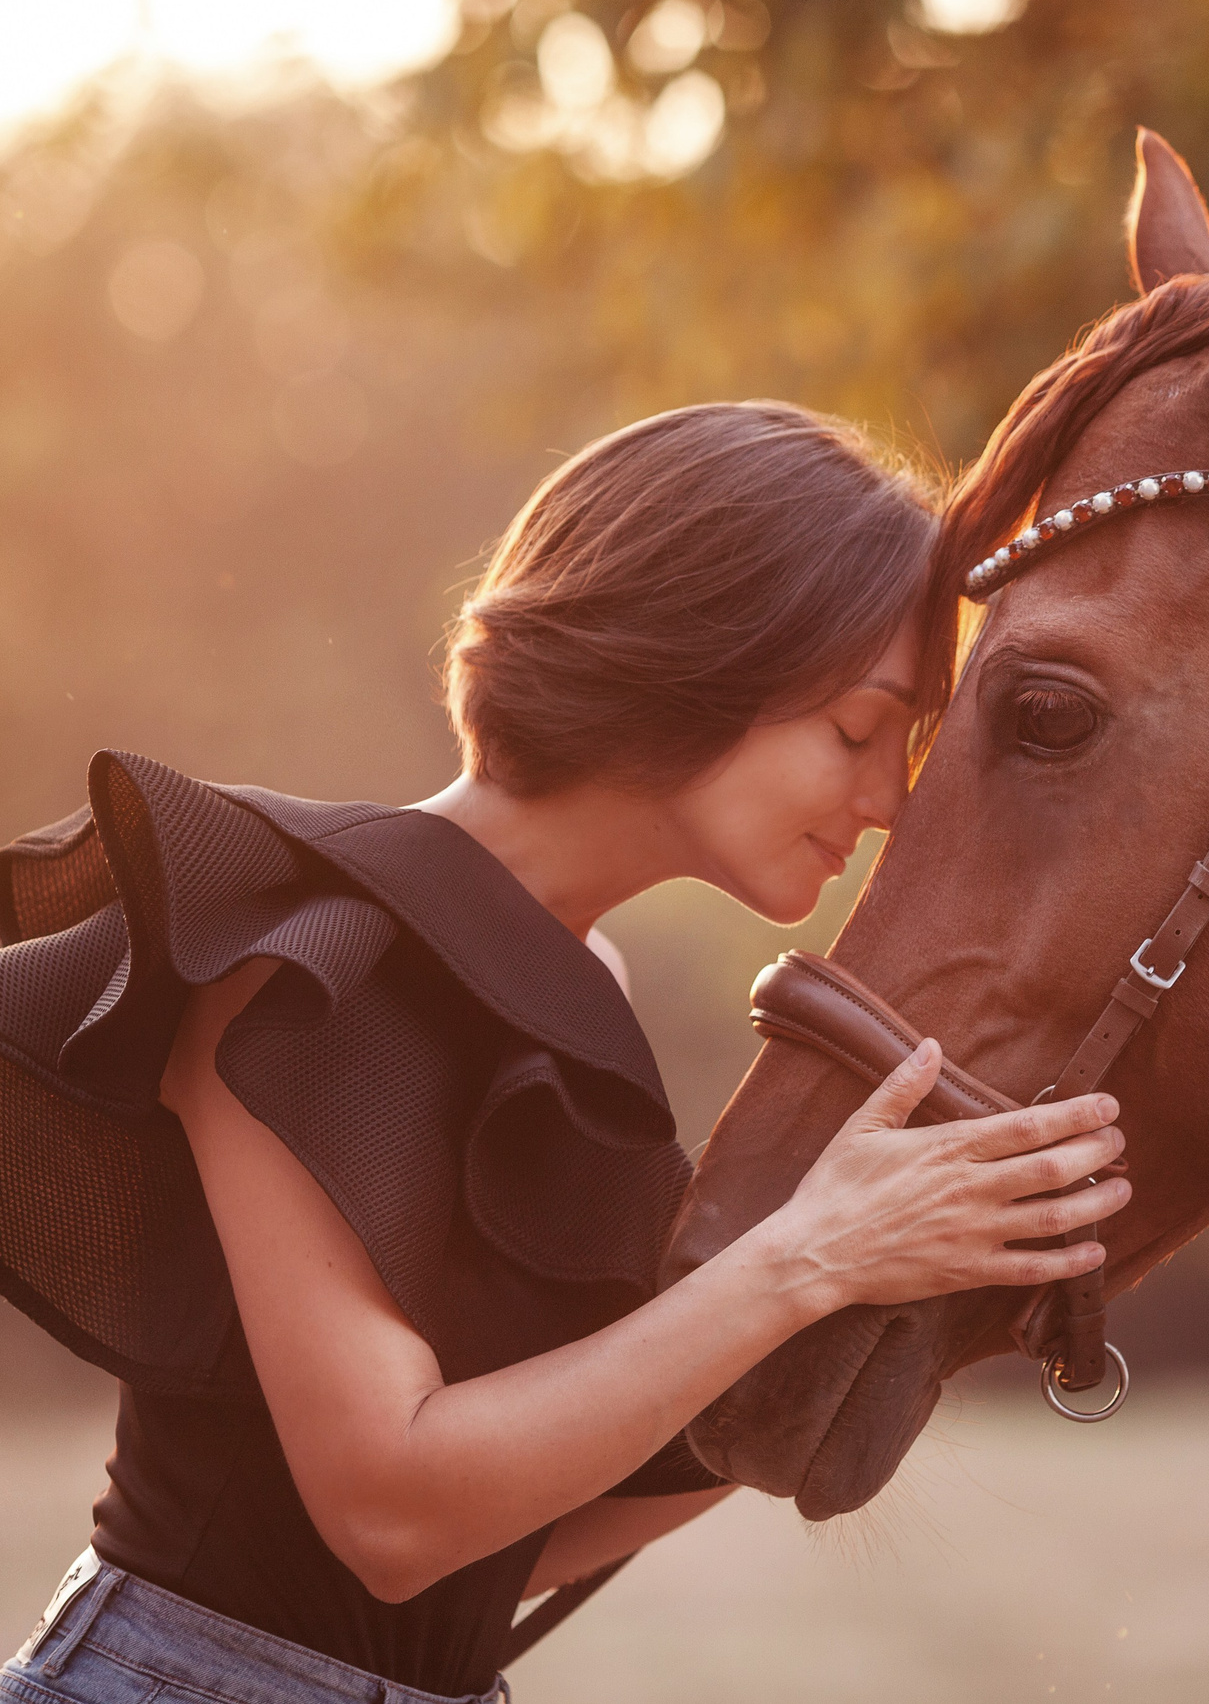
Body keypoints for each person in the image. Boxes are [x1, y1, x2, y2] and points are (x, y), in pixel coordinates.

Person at [0, 401, 1129, 1704]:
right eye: (859, 733)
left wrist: (874, 1308)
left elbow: (495, 1548)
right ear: (696, 651)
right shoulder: (312, 957)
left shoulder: (579, 988)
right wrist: (808, 1256)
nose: (883, 808)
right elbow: (392, 1508)